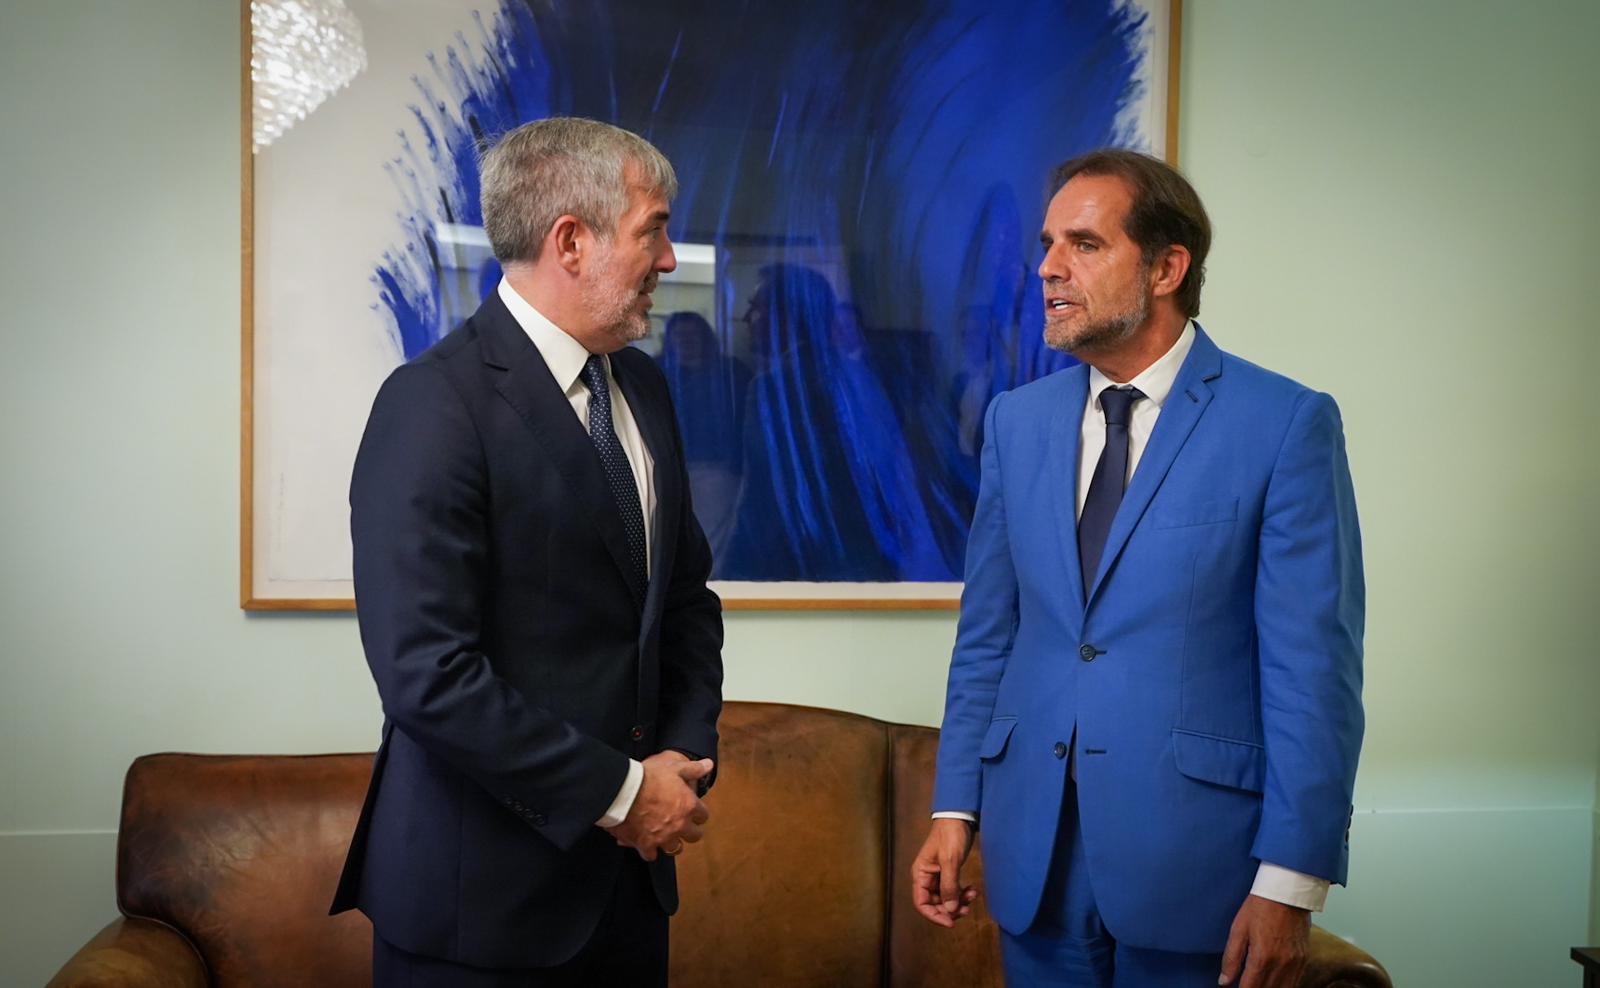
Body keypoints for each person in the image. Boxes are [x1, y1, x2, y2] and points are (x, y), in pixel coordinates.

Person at [911, 149, 1364, 988]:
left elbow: (1313, 673)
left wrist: (1291, 883)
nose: (1048, 267)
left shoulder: (1283, 424)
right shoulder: (1016, 422)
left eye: (1083, 244)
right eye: (1048, 244)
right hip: (1033, 854)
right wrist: (955, 806)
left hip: (1199, 862)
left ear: (1165, 268)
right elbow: (989, 638)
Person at [331, 117, 724, 987]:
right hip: (480, 915)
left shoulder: (644, 386)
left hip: (630, 895)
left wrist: (683, 765)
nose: (669, 259)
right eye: (654, 230)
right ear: (571, 241)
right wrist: (623, 795)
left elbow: (685, 600)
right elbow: (427, 674)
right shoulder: (432, 404)